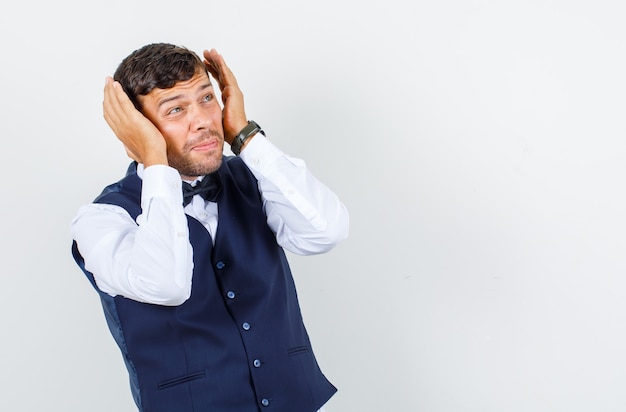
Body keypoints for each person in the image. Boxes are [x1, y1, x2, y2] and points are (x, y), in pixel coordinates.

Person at [70, 43, 349, 412]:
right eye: (176, 109)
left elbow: (326, 232)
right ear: (135, 131)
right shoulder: (102, 219)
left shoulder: (257, 175)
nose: (203, 120)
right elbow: (165, 285)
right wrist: (155, 161)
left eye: (206, 98)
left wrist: (245, 135)